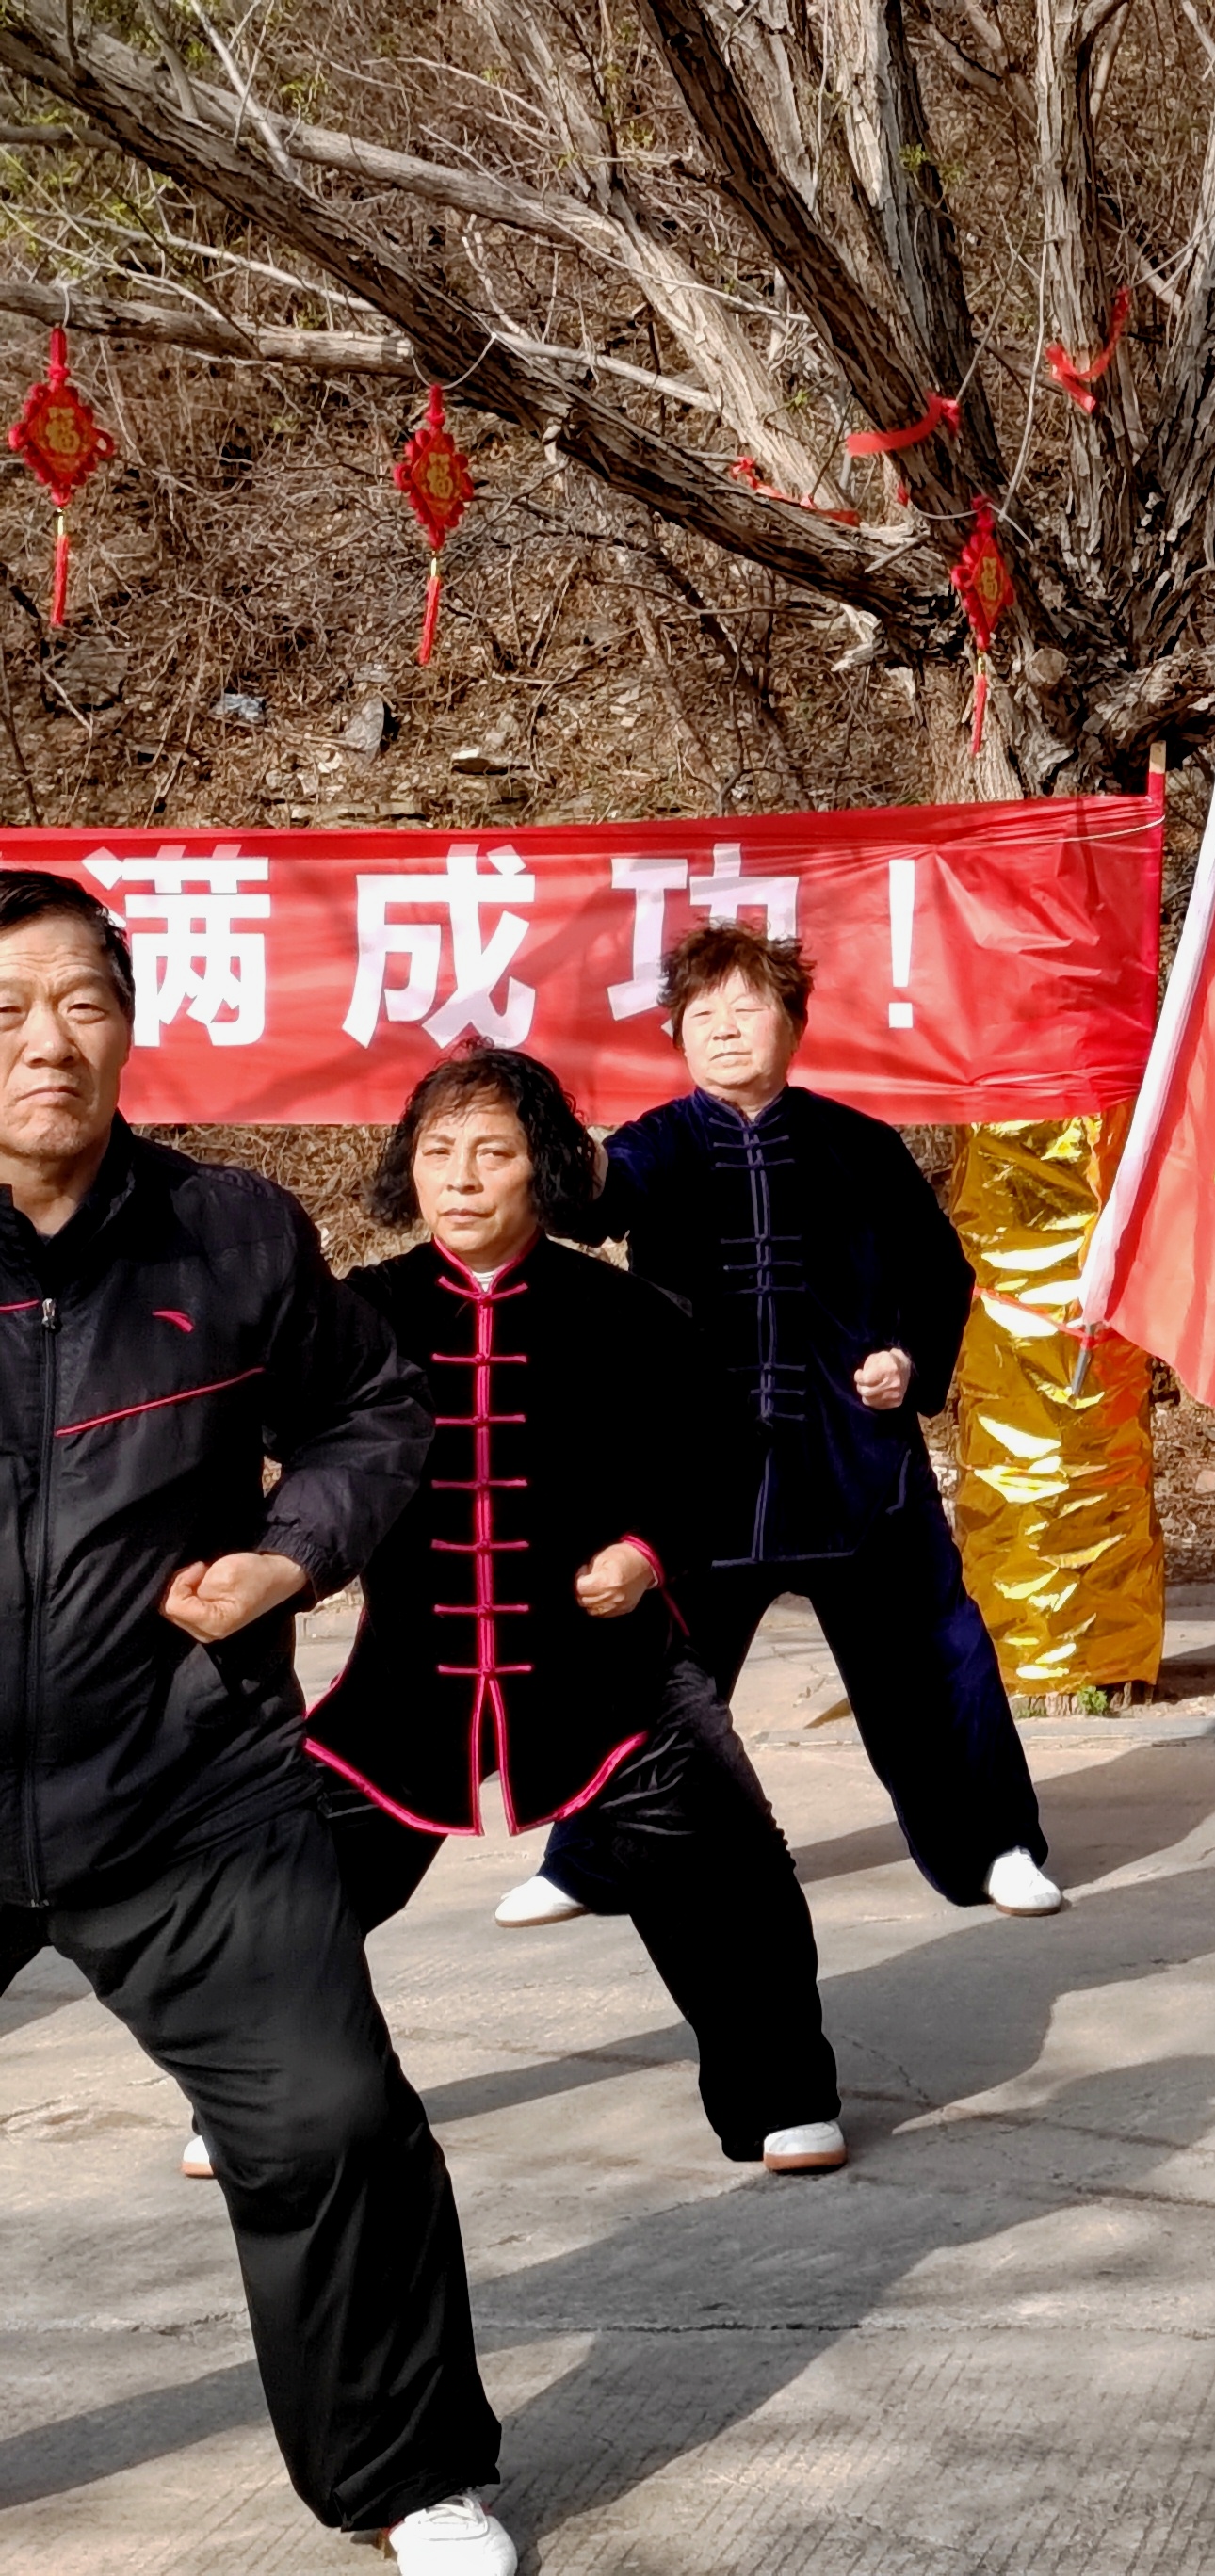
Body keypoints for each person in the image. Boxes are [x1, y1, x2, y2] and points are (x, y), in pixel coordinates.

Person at [0, 872, 514, 2572]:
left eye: (80, 1003)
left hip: (184, 1777)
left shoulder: (228, 1234)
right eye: (4, 1010)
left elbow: (377, 1411)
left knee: (331, 2119)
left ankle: (405, 2473)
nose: (44, 1044)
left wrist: (290, 1557)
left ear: (131, 1024)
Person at [300, 1048, 846, 2176]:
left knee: (733, 1876)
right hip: (411, 1676)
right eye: (438, 1152)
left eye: (492, 1153)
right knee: (283, 1891)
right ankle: (261, 2106)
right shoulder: (362, 1316)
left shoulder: (630, 1315)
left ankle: (779, 2094)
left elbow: (723, 1456)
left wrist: (650, 1554)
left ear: (541, 1171)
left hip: (610, 1676)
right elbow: (286, 1451)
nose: (461, 1178)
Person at [499, 922, 1058, 1927]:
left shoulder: (861, 1146)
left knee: (935, 1659)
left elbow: (941, 1277)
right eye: (698, 1014)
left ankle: (995, 1847)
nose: (721, 1029)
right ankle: (589, 1862)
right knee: (654, 1670)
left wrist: (908, 1358)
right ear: (674, 1035)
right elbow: (593, 1199)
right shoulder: (659, 1143)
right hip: (702, 1476)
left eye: (744, 1006)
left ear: (791, 1021)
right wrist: (550, 1135)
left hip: (855, 1467)